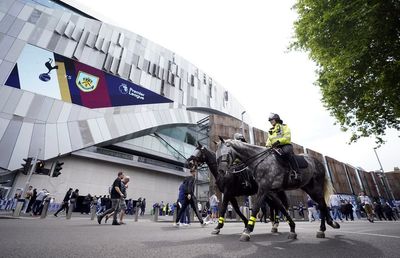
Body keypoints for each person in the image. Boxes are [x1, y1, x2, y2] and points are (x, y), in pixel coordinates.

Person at [265, 113, 300, 181]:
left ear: (276, 119)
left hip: (285, 145)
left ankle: (296, 172)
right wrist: (267, 147)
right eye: (270, 121)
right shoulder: (270, 131)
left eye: (272, 120)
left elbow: (287, 137)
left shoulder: (284, 127)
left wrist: (278, 141)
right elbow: (268, 140)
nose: (271, 122)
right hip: (275, 147)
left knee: (286, 152)